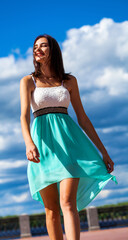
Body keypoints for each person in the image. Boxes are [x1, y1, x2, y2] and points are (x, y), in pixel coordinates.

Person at [20, 34, 118, 240]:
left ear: (53, 50)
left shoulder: (69, 80)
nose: (37, 49)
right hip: (42, 147)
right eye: (35, 46)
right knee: (52, 210)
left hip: (70, 146)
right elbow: (23, 117)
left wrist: (104, 151)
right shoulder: (28, 81)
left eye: (43, 45)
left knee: (67, 203)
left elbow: (82, 118)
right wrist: (29, 143)